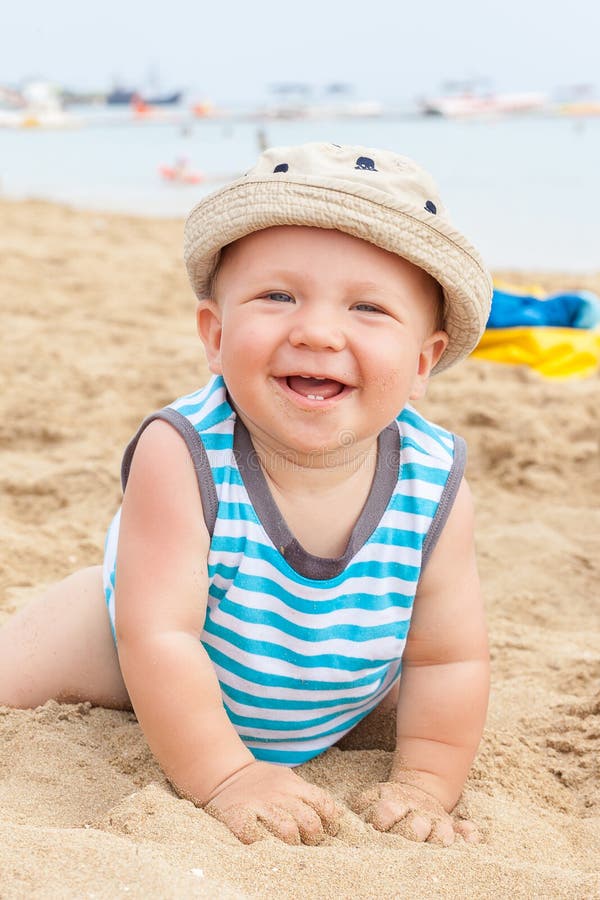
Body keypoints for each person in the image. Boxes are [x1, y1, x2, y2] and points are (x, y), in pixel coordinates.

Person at [0, 142, 492, 848]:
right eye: (278, 296)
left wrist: (424, 784)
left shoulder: (434, 481)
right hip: (135, 642)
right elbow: (159, 636)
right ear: (215, 333)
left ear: (421, 364)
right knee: (14, 675)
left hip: (335, 667)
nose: (318, 332)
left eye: (368, 307)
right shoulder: (185, 452)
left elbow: (449, 659)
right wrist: (230, 776)